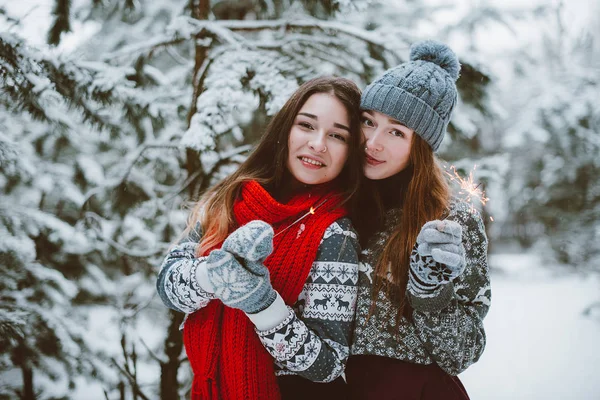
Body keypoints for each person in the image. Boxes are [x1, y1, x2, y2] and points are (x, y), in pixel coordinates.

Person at [156, 77, 363, 400]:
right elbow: (168, 285)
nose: (318, 144)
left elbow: (328, 364)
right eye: (306, 126)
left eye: (337, 135)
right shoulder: (231, 199)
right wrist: (212, 276)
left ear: (351, 151)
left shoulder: (335, 233)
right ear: (285, 129)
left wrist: (262, 304)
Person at [346, 40, 491, 400]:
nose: (373, 142)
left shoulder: (450, 221)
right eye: (368, 121)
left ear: (421, 145)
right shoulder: (332, 201)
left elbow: (463, 350)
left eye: (396, 132)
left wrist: (430, 292)